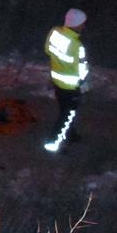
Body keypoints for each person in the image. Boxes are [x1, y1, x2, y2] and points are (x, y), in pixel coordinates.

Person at [43, 9, 89, 153]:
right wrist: (83, 83)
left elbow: (47, 50)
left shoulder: (55, 32)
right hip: (71, 86)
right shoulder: (77, 46)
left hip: (57, 81)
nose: (84, 26)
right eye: (82, 24)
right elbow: (82, 69)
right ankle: (53, 143)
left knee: (65, 110)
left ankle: (70, 134)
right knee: (67, 115)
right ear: (76, 25)